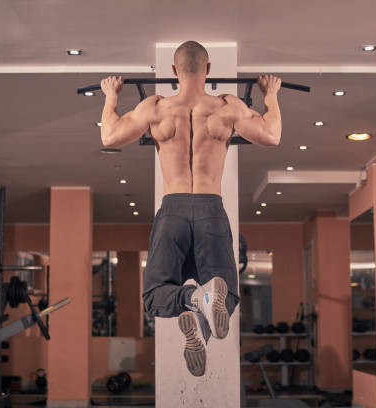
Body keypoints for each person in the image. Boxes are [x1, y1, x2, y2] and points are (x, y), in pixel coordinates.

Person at [99, 40, 282, 376]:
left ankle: (193, 301)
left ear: (173, 71)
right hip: (211, 208)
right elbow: (272, 135)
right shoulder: (226, 106)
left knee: (155, 296)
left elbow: (109, 137)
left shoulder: (156, 107)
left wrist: (111, 95)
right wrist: (270, 94)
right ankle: (203, 304)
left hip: (173, 208)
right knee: (225, 297)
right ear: (209, 70)